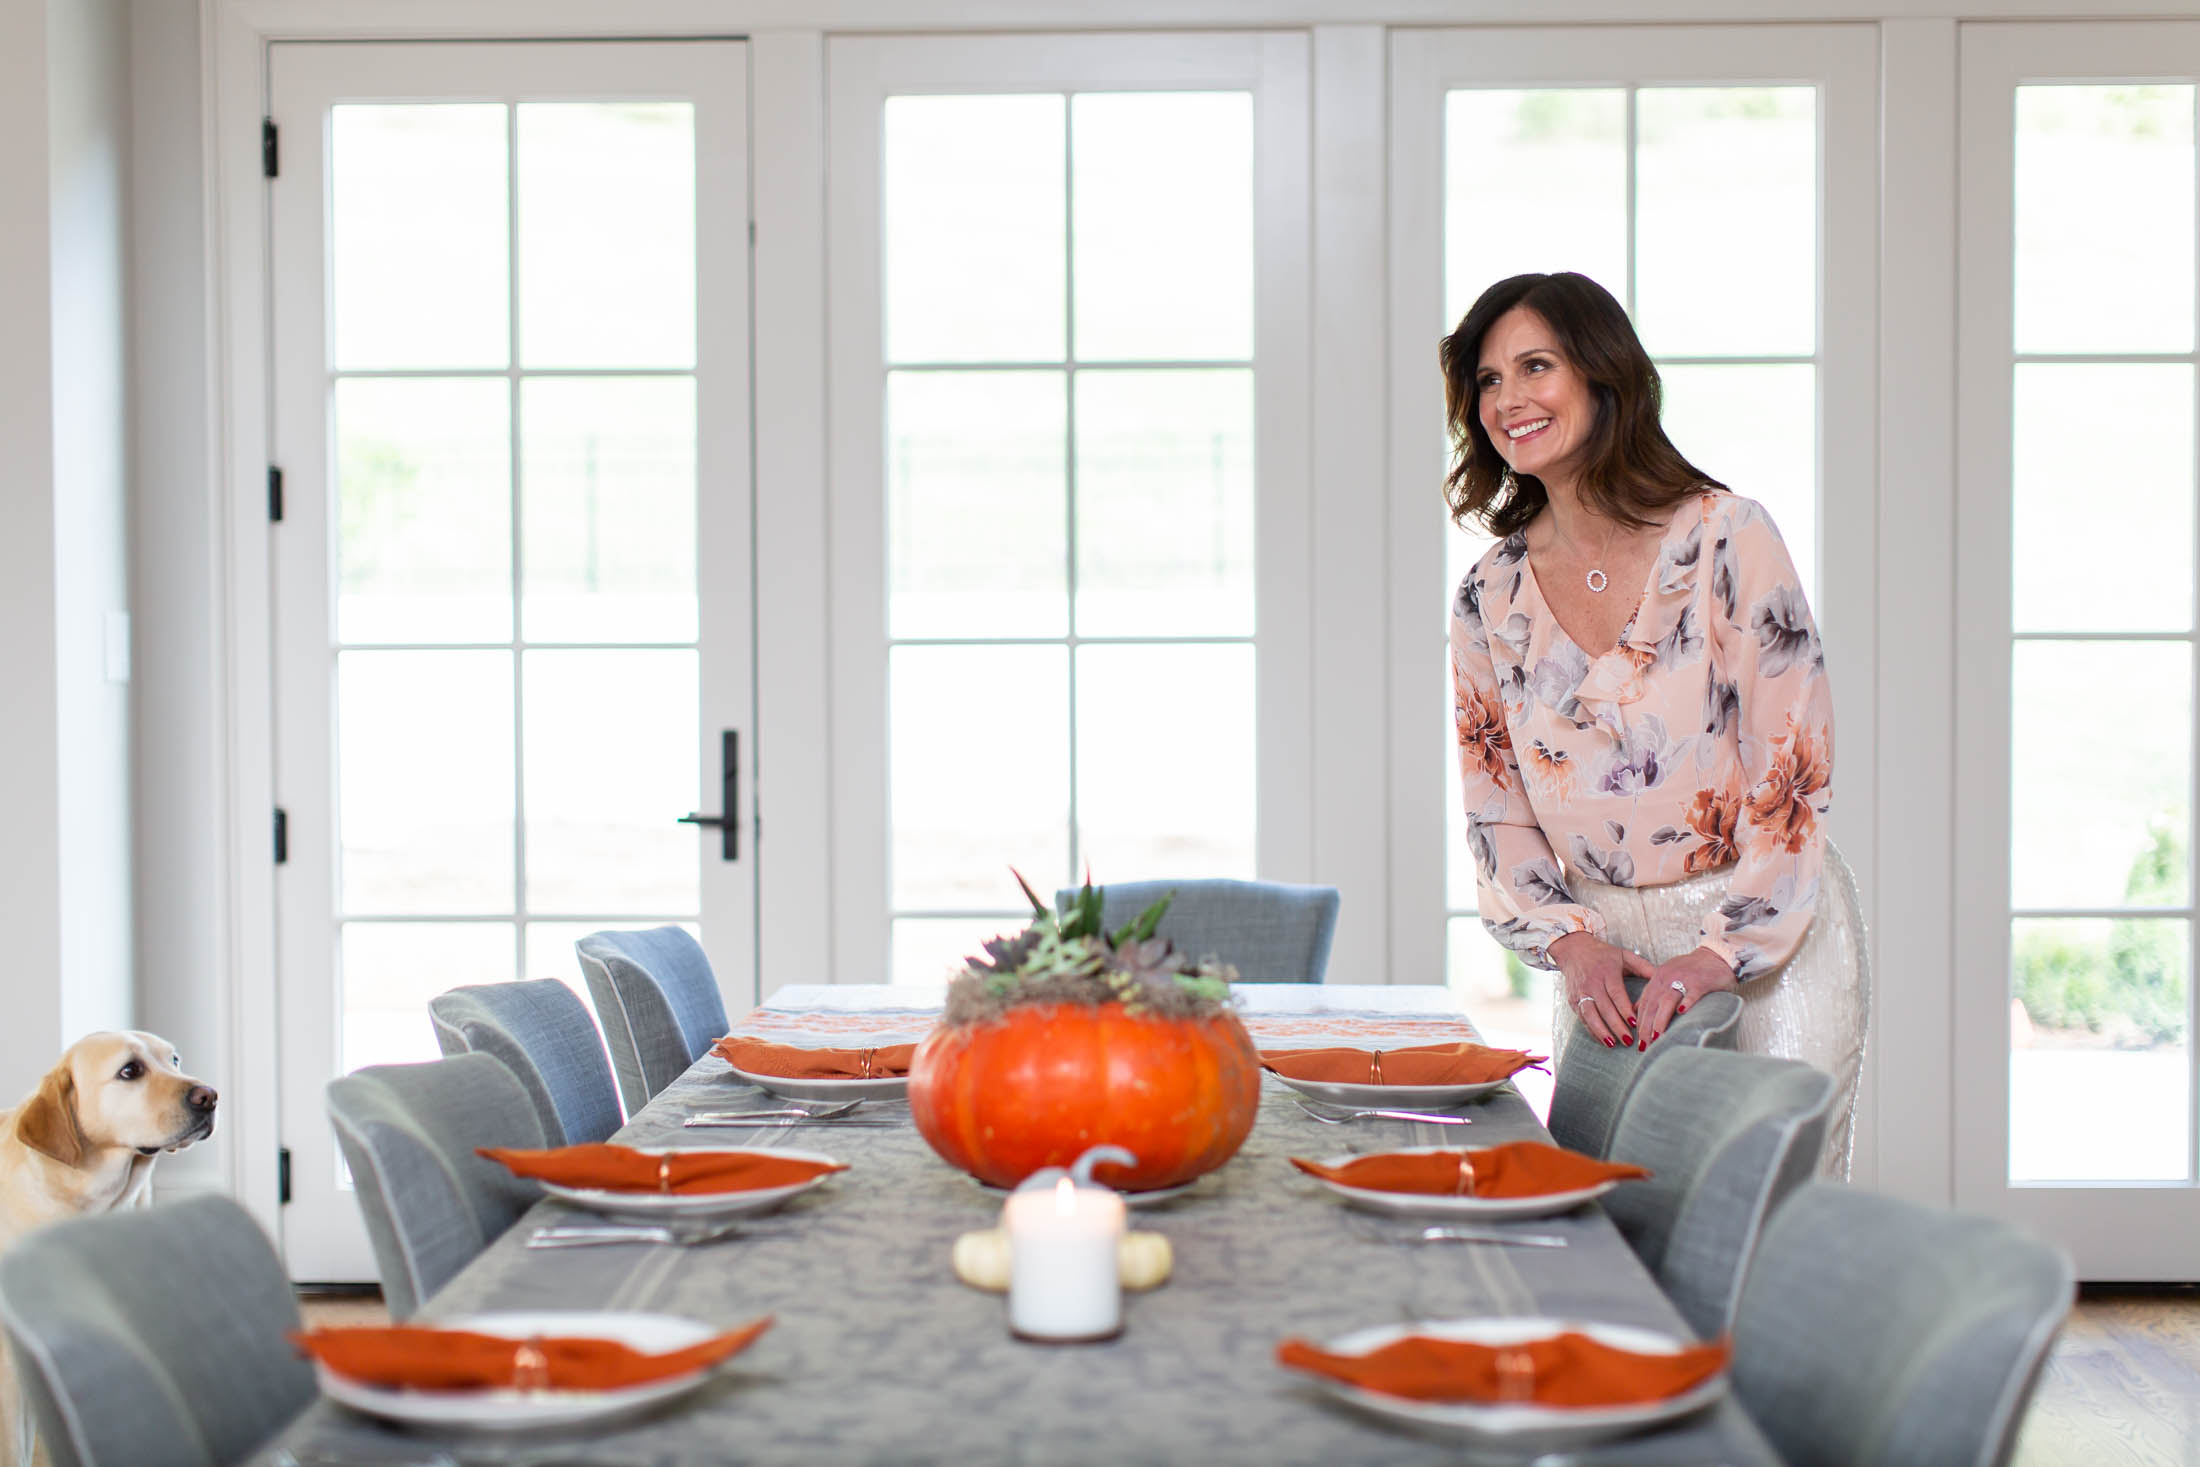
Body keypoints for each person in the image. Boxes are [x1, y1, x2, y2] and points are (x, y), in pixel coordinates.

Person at [1443, 272, 1867, 1176]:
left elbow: (1793, 769)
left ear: (1605, 378)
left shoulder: (1726, 537)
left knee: (1770, 1213)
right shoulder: (1488, 595)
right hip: (1606, 959)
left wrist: (1720, 953)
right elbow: (1496, 810)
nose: (1508, 399)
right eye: (1487, 380)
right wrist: (1572, 941)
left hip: (1770, 932)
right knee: (1618, 1222)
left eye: (1536, 366)